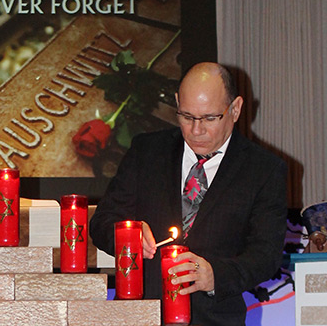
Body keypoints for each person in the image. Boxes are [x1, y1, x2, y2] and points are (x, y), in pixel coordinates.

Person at [90, 62, 288, 325]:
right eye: (186, 116)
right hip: (141, 315)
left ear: (236, 109)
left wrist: (214, 275)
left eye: (209, 118)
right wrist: (127, 236)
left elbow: (266, 255)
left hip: (215, 319)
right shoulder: (147, 151)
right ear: (176, 104)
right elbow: (102, 222)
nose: (196, 130)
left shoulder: (263, 170)